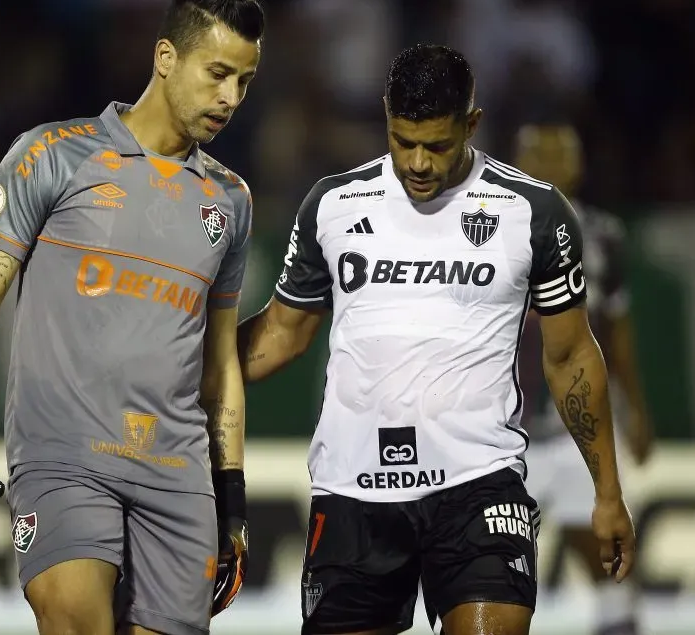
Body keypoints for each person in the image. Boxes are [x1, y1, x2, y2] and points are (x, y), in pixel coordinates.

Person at [237, 44, 636, 635]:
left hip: (479, 490)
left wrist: (607, 491)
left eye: (439, 145)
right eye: (404, 141)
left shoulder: (536, 212)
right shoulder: (332, 204)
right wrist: (182, 364)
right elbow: (281, 333)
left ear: (472, 124)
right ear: (386, 119)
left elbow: (572, 355)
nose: (419, 162)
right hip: (354, 495)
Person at [0, 0, 263, 635]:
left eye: (244, 81)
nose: (230, 98)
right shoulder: (52, 156)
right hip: (64, 453)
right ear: (165, 57)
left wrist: (233, 499)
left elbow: (219, 364)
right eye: (217, 74)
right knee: (75, 618)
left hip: (177, 472)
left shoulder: (231, 199)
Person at [515, 121, 653, 635]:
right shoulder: (486, 225)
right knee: (490, 555)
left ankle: (618, 624)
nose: (550, 164)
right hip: (506, 422)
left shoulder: (604, 236)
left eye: (560, 154)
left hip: (581, 423)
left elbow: (616, 331)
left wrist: (637, 410)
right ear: (519, 161)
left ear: (579, 164)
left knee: (601, 547)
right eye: (539, 154)